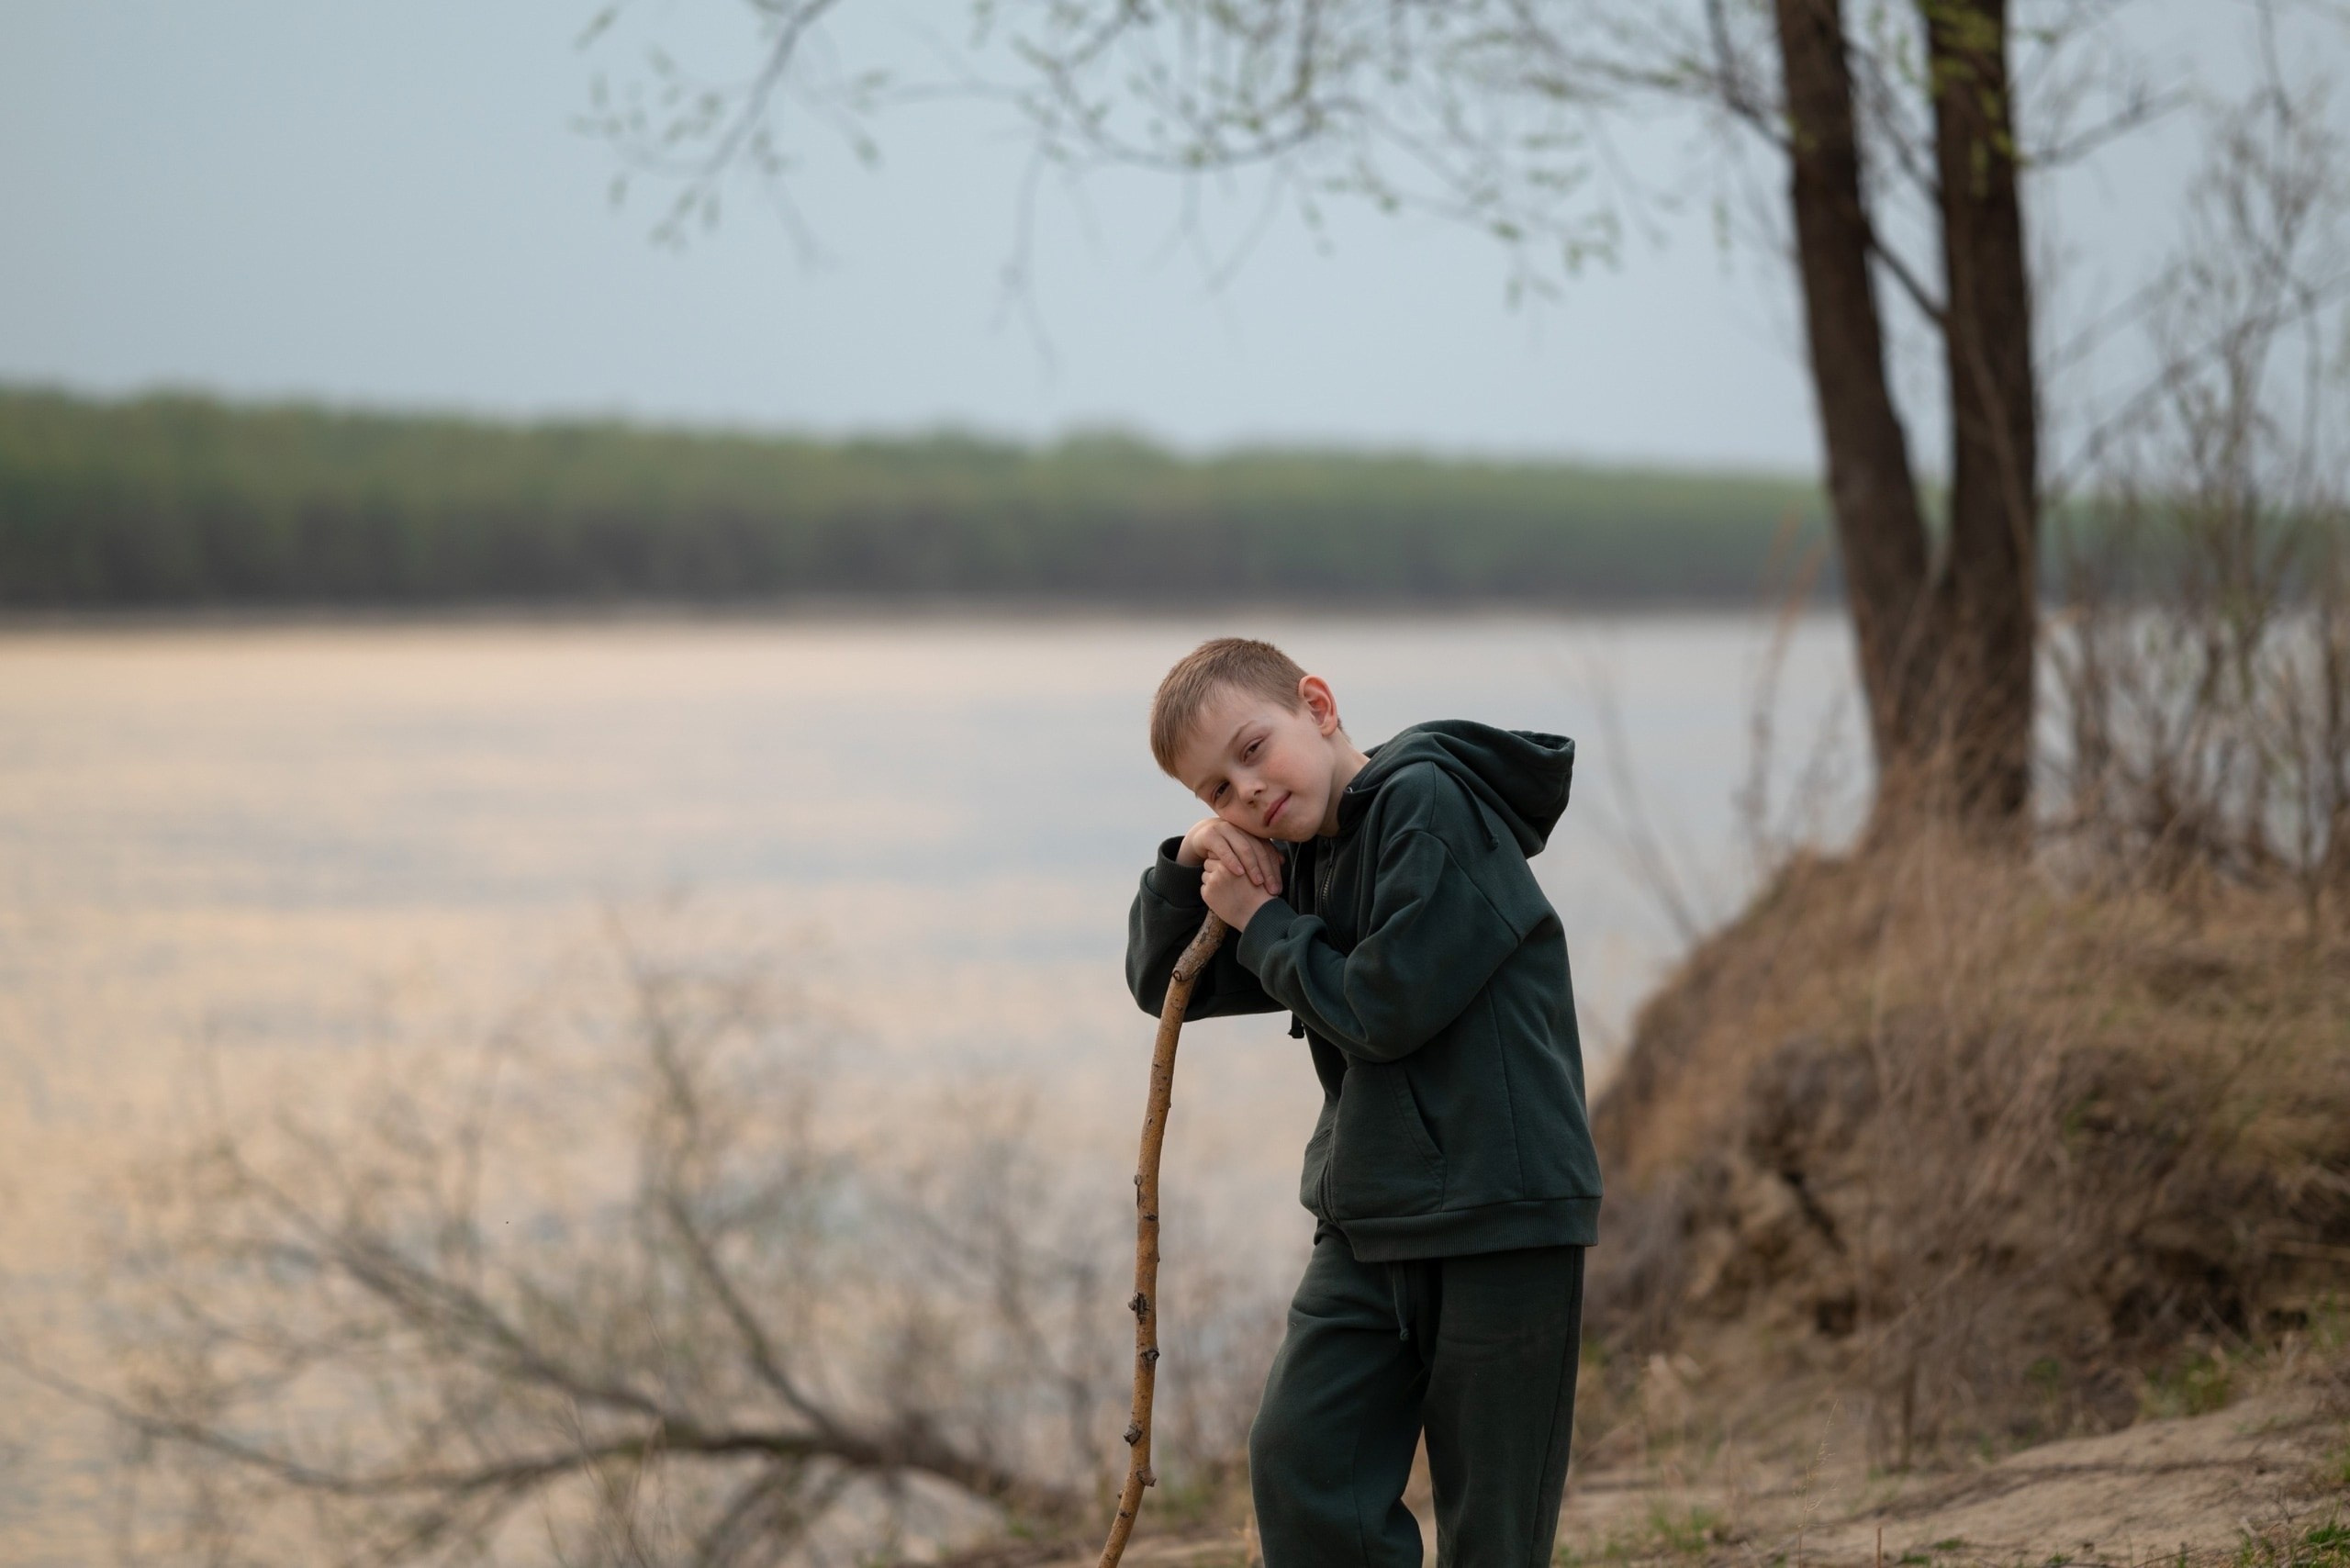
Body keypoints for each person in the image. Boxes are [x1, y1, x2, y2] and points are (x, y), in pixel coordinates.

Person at [1125, 635, 1601, 1568]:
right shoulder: (1297, 850)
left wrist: (1262, 923)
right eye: (1215, 790)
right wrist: (1192, 865)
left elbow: (1387, 1007)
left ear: (1317, 703)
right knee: (1301, 1462)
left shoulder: (1431, 804)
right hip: (1370, 1218)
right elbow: (1163, 981)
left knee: (1492, 1527)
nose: (1246, 792)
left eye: (1252, 749)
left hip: (1501, 1214)